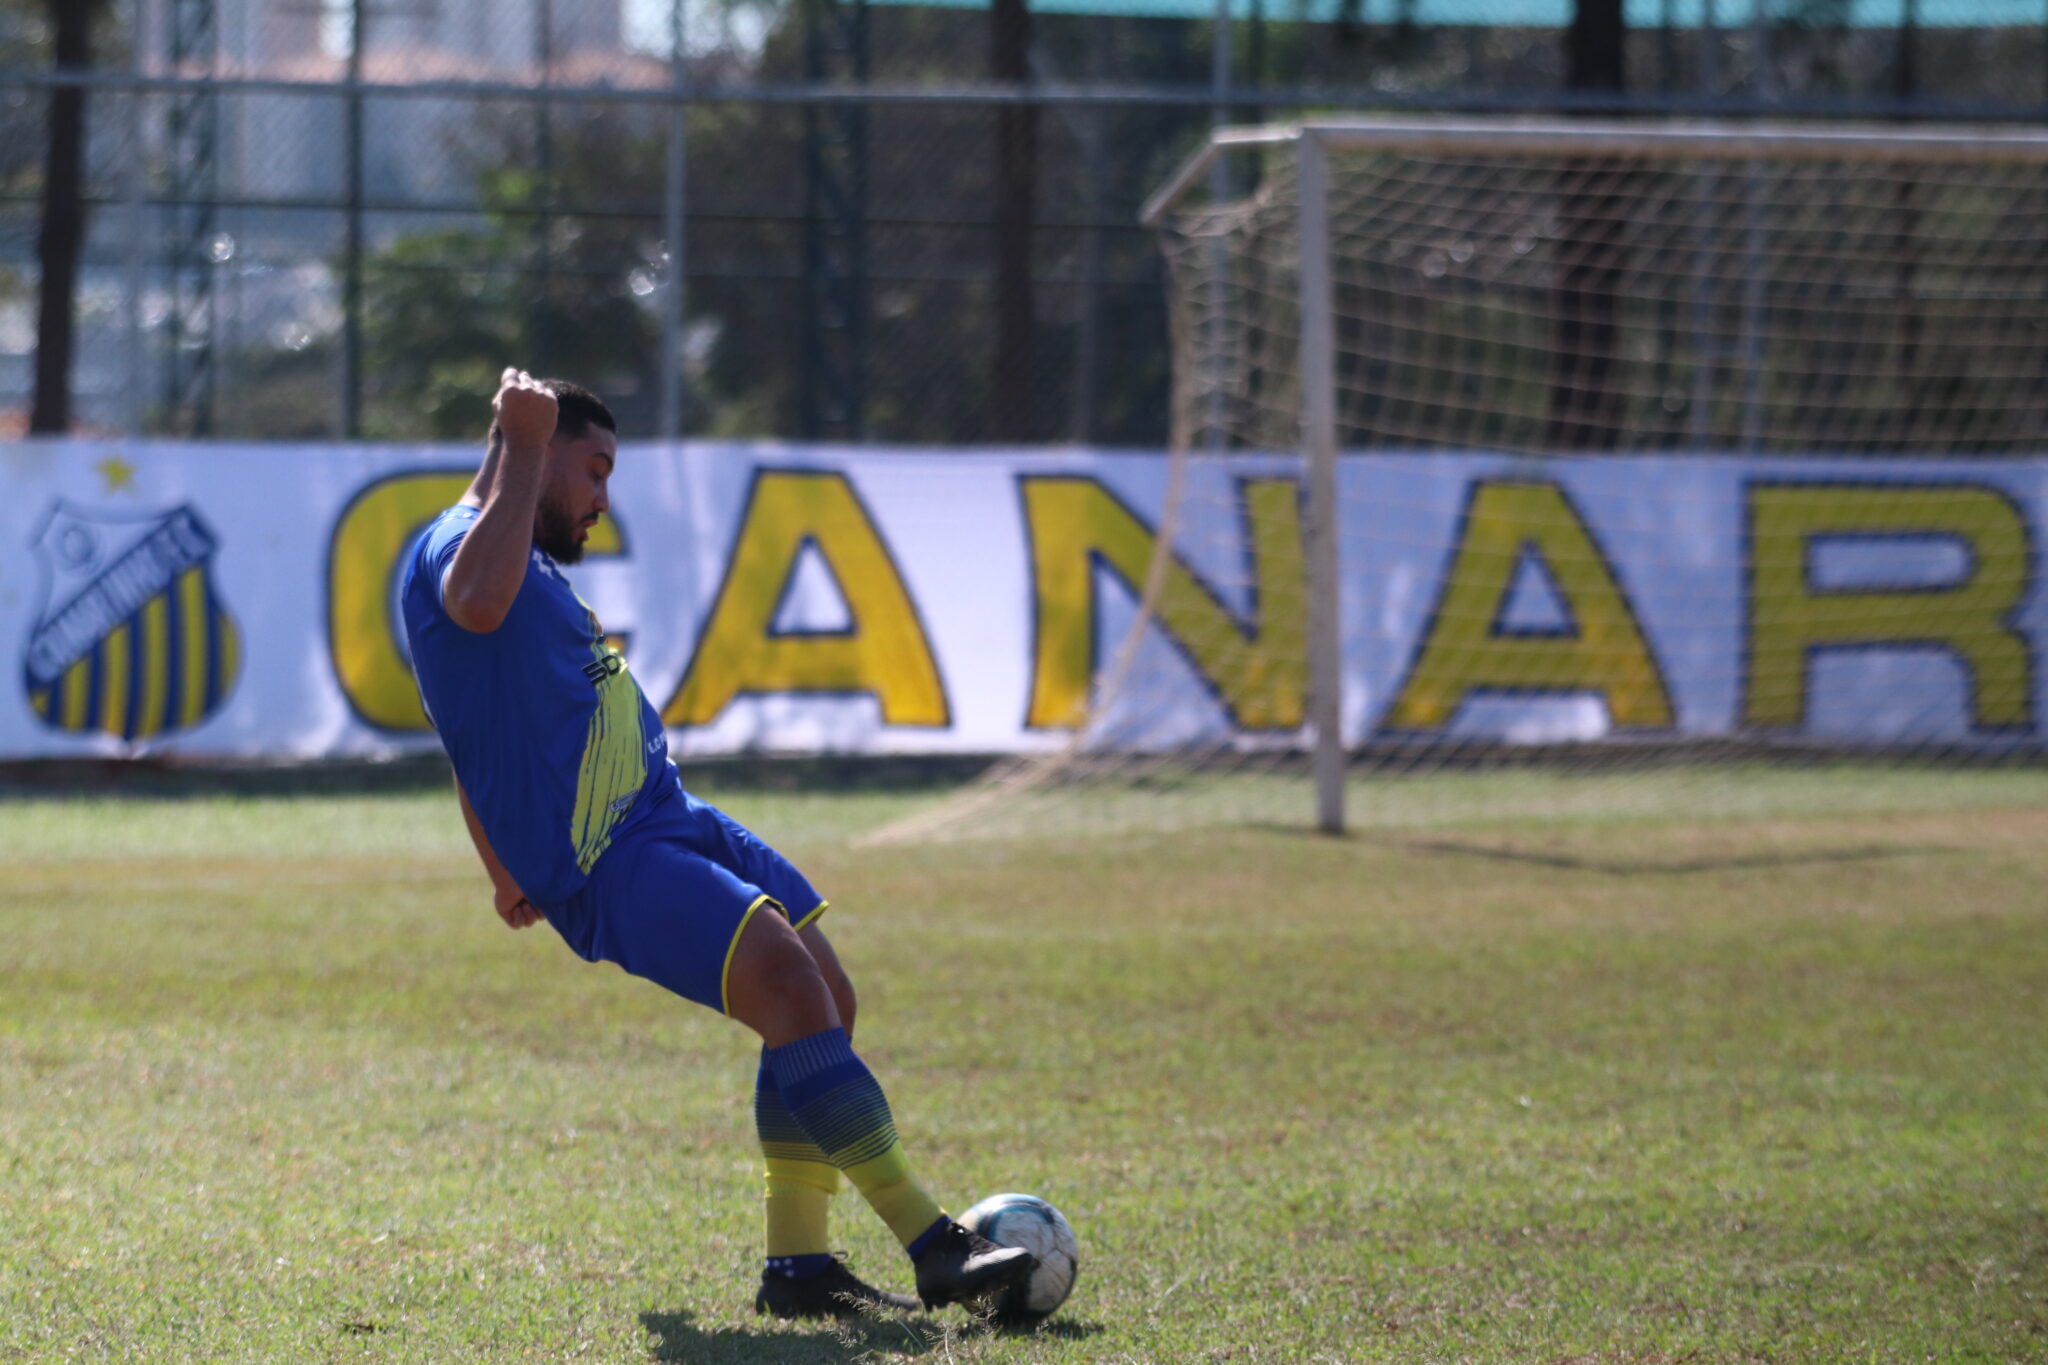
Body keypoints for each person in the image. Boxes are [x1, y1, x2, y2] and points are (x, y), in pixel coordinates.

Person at [399, 369, 1034, 1321]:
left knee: (824, 998)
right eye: (594, 468)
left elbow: (470, 736)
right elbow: (478, 604)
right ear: (542, 449)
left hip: (669, 814)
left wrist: (498, 870)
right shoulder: (461, 544)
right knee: (787, 982)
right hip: (608, 855)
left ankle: (799, 1267)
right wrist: (522, 443)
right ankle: (932, 1241)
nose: (601, 499)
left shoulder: (514, 554)